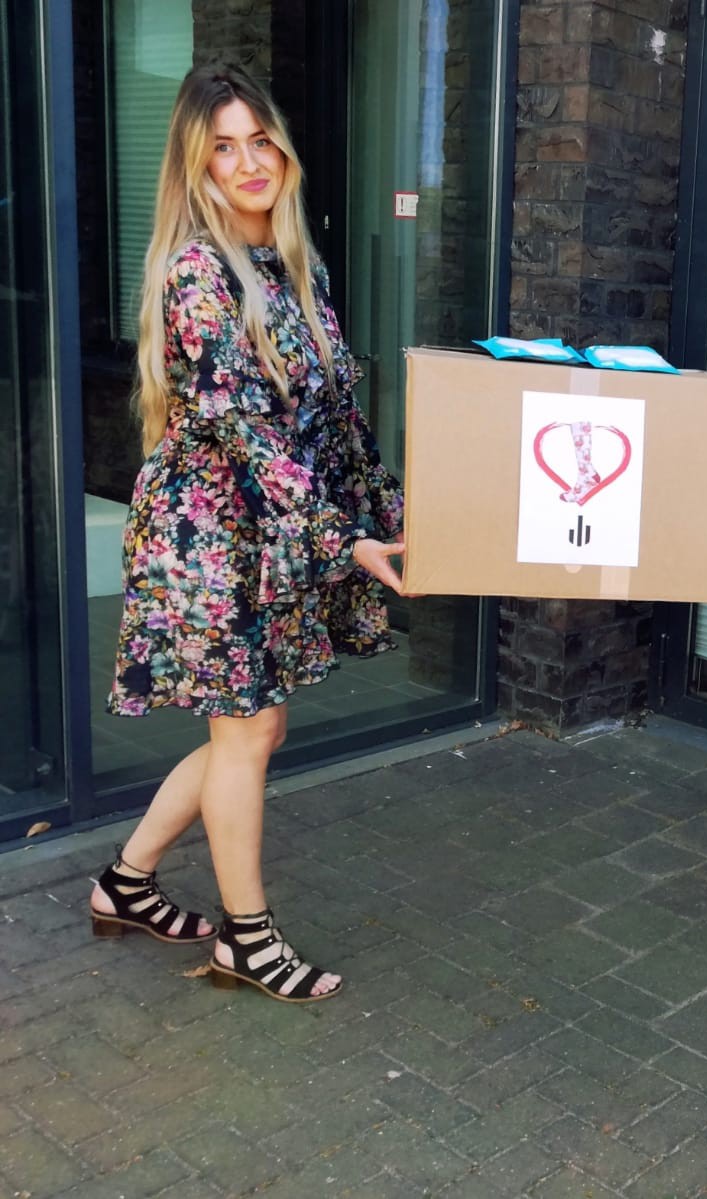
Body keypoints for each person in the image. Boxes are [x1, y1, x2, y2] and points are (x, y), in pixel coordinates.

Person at [90, 64, 405, 1004]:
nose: (248, 162)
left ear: (283, 149)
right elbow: (250, 434)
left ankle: (126, 884)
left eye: (259, 140)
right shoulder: (198, 273)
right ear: (198, 167)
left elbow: (333, 422)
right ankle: (247, 939)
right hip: (206, 537)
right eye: (222, 148)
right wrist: (346, 541)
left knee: (255, 726)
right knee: (247, 729)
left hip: (266, 530)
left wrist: (389, 514)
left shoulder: (296, 267)